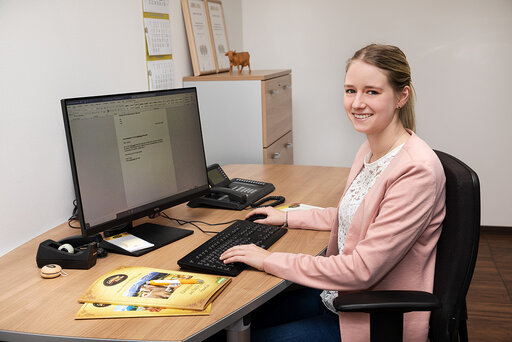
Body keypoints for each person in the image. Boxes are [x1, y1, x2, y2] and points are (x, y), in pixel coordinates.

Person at [220, 44, 446, 342]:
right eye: (350, 90)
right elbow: (355, 214)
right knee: (236, 323)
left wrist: (268, 259)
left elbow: (361, 270)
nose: (357, 103)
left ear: (401, 96)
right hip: (338, 297)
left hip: (374, 316)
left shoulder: (416, 170)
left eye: (372, 92)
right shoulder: (372, 146)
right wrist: (287, 217)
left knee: (248, 336)